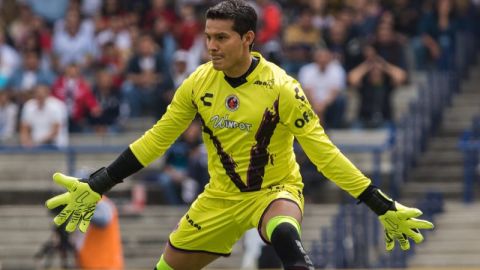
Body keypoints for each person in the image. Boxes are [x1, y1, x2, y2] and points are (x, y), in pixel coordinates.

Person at [45, 1, 434, 270]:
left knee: (286, 240)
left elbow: (325, 155)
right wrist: (99, 183)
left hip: (275, 190)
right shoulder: (198, 82)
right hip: (219, 198)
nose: (211, 46)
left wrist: (381, 204)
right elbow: (157, 139)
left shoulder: (282, 88)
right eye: (208, 36)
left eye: (221, 38)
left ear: (248, 39)